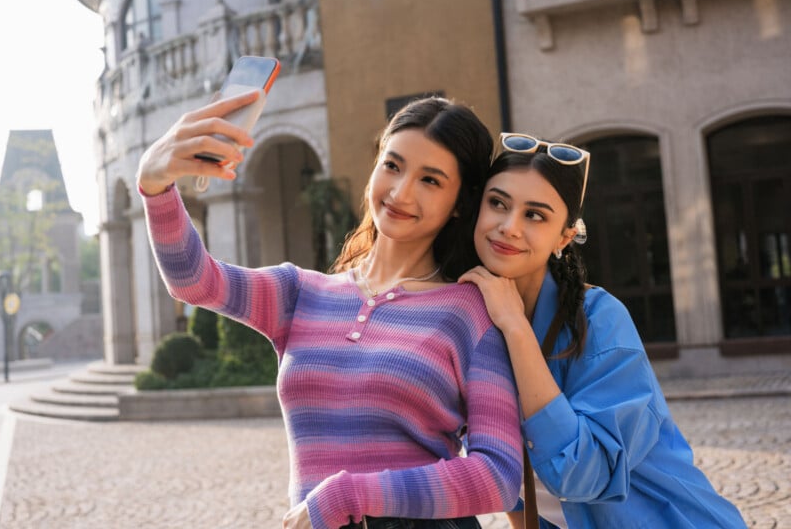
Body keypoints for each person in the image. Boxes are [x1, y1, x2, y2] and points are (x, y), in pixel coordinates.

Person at [136, 92, 523, 529]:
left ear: (459, 204)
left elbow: (498, 476)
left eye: (430, 180)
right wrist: (155, 184)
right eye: (392, 165)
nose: (400, 192)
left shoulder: (469, 311)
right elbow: (194, 280)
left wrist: (346, 495)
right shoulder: (301, 293)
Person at [459, 134, 747, 528]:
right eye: (498, 203)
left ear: (563, 237)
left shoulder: (598, 320)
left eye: (535, 215)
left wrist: (516, 328)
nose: (509, 227)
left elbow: (583, 476)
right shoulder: (469, 322)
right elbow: (506, 479)